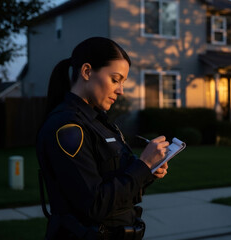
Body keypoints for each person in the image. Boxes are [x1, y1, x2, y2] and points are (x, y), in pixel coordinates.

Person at [36, 37, 169, 240]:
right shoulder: (68, 128)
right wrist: (142, 165)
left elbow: (119, 186)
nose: (121, 90)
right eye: (115, 79)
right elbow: (94, 205)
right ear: (87, 72)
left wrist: (149, 170)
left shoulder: (101, 123)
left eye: (123, 82)